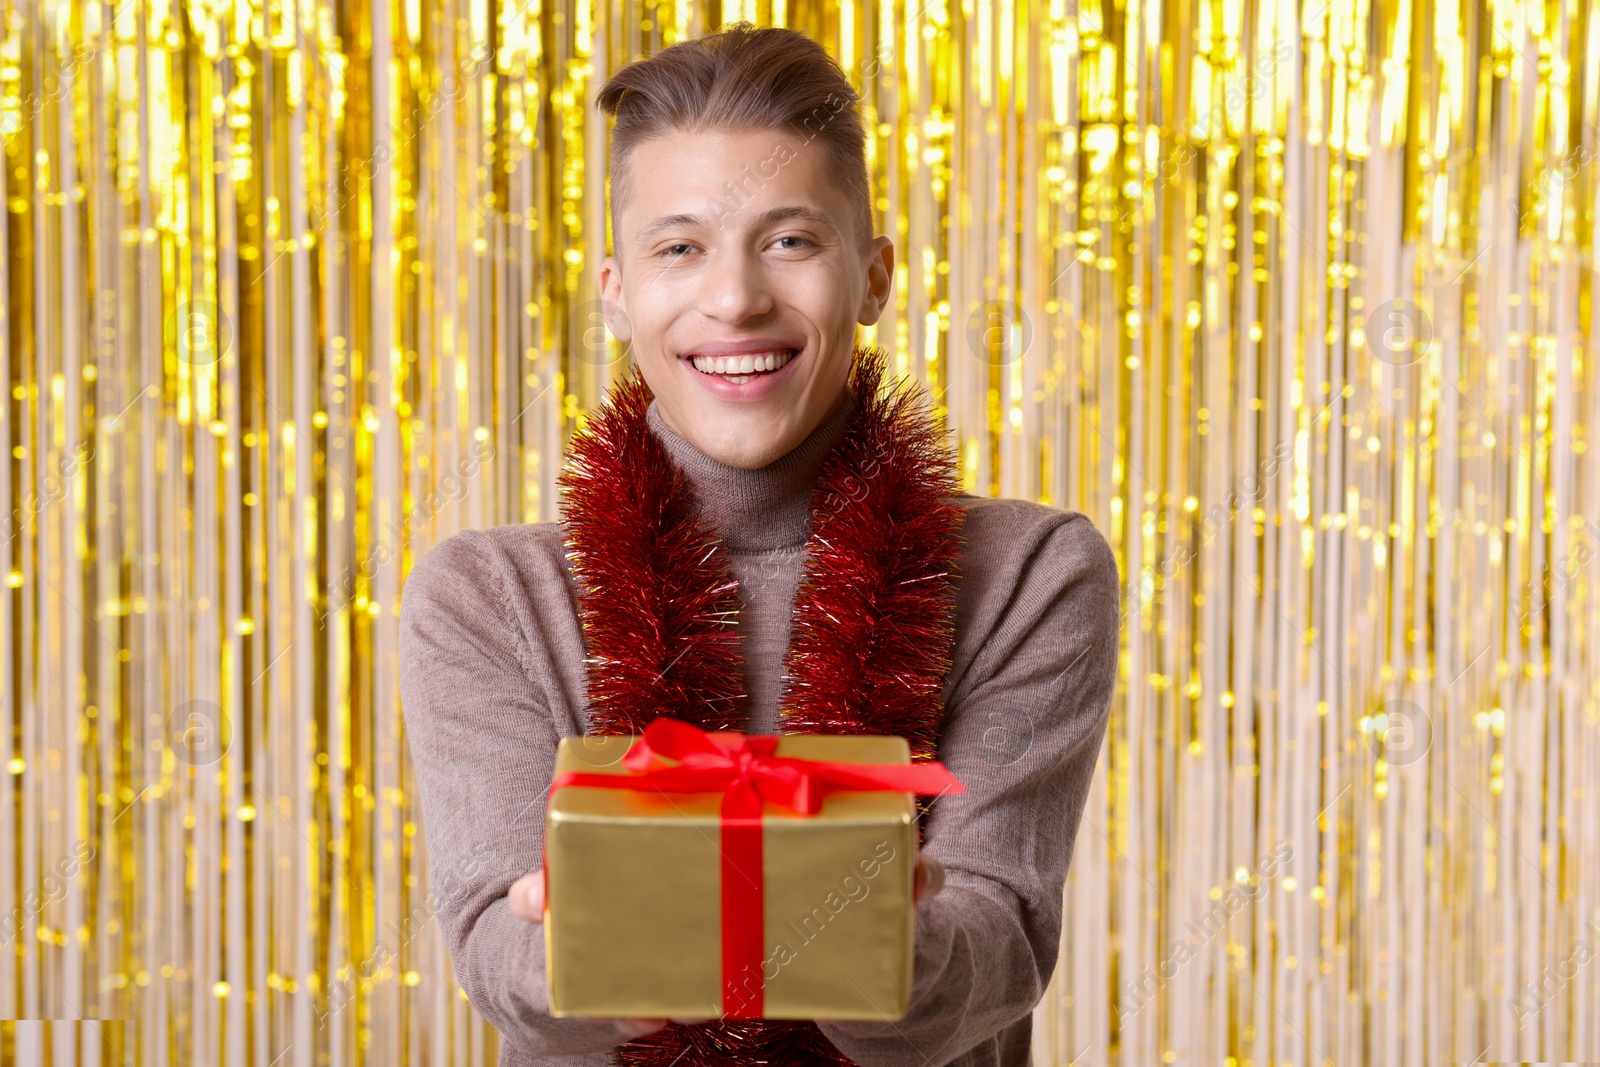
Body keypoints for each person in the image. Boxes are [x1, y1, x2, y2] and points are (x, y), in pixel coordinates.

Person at [398, 22, 1120, 1067]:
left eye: (789, 240)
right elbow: (502, 957)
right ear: (615, 288)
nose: (733, 298)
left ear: (872, 277)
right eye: (679, 246)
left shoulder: (1031, 572)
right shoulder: (488, 592)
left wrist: (886, 946)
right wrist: (574, 946)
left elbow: (993, 943)